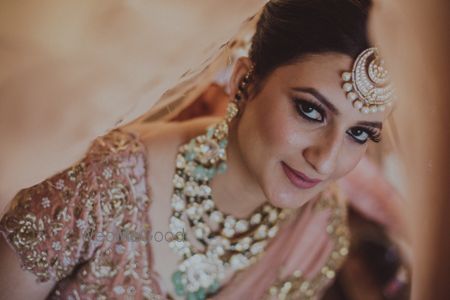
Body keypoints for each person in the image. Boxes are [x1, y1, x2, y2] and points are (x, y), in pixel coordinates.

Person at [0, 0, 405, 299]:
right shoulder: (93, 189)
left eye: (359, 134)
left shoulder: (319, 228)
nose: (327, 159)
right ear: (245, 80)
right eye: (309, 110)